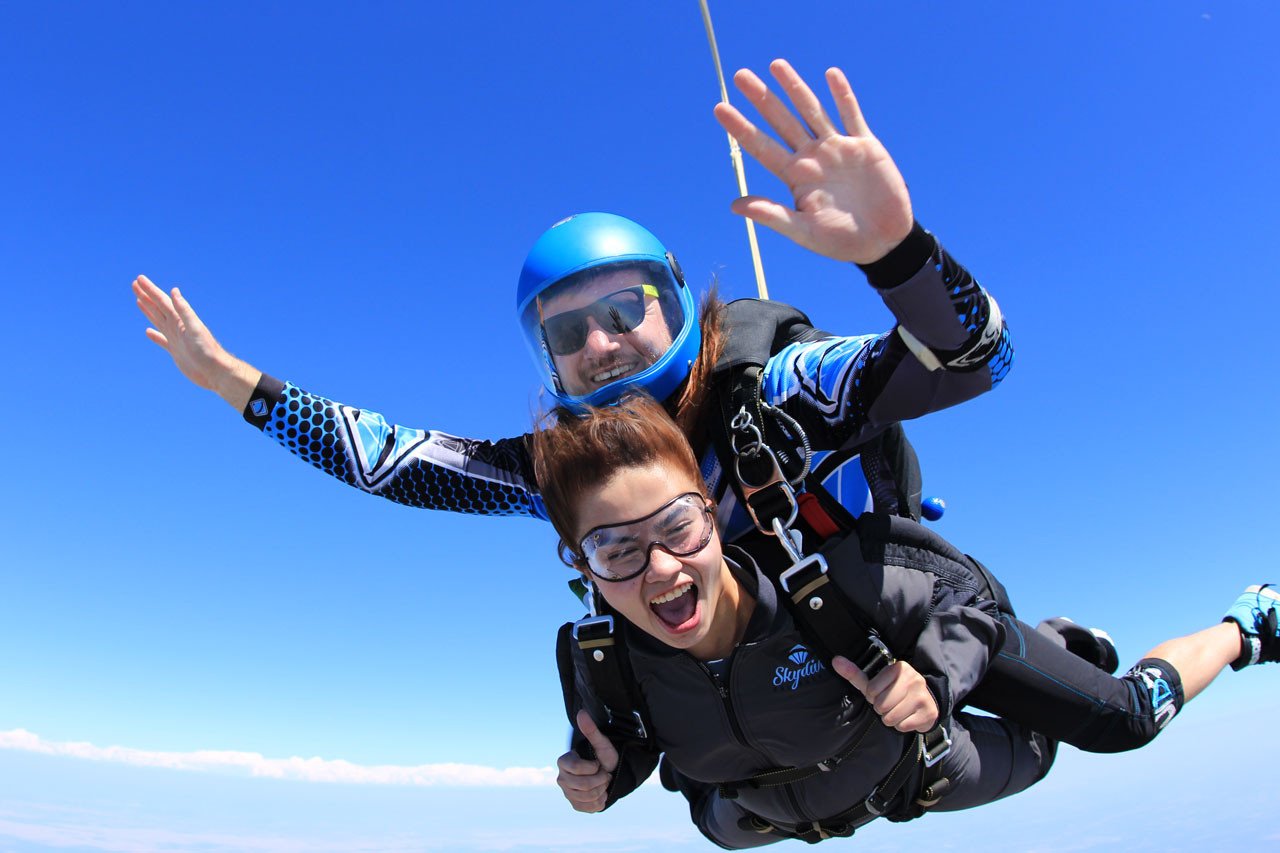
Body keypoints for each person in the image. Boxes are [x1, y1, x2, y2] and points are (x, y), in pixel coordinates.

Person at [133, 59, 1280, 752]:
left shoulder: (772, 392)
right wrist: (239, 386)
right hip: (792, 690)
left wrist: (897, 255)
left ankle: (1245, 623)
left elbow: (972, 358)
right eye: (561, 330)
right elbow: (396, 463)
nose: (595, 341)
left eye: (619, 307)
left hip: (896, 610)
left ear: (676, 300)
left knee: (1119, 719)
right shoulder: (566, 469)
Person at [533, 393, 1277, 847]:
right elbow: (638, 744)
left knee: (1121, 721)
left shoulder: (835, 585)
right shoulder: (603, 663)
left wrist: (936, 682)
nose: (660, 567)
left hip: (919, 766)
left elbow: (971, 602)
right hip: (773, 805)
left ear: (712, 511)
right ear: (580, 564)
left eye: (678, 527)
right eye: (616, 548)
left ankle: (1249, 624)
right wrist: (602, 779)